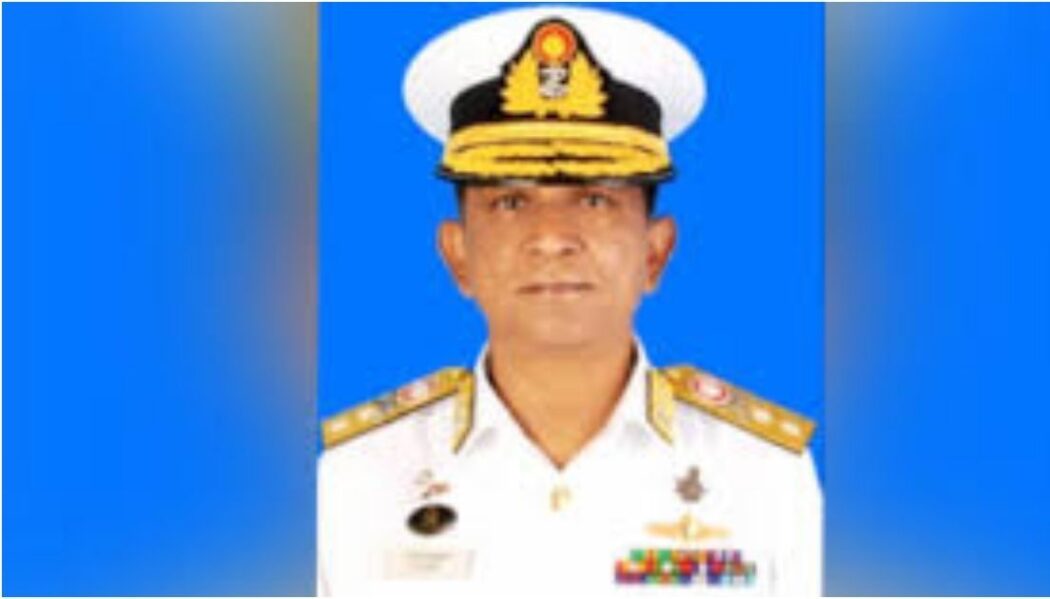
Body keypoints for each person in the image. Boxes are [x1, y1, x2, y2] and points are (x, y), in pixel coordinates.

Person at [318, 6, 821, 595]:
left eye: (595, 199)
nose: (552, 237)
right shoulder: (351, 482)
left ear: (655, 252)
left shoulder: (765, 476)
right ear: (458, 255)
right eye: (510, 202)